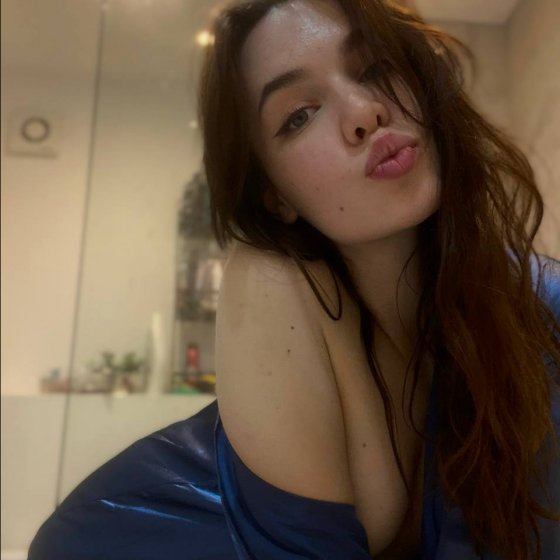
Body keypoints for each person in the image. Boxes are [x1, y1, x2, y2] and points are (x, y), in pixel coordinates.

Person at [29, 0, 560, 559]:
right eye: (300, 115)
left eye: (374, 68)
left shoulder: (524, 305)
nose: (365, 112)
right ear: (274, 195)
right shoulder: (270, 279)